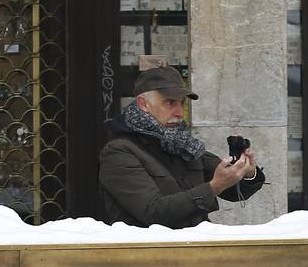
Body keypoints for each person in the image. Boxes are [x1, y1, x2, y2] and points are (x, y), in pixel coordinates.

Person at [99, 67, 264, 229]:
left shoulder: (182, 144)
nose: (179, 112)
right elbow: (153, 213)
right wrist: (214, 187)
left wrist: (247, 172)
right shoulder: (119, 151)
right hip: (150, 252)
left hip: (197, 249)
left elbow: (231, 188)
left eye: (182, 103)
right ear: (143, 104)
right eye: (169, 102)